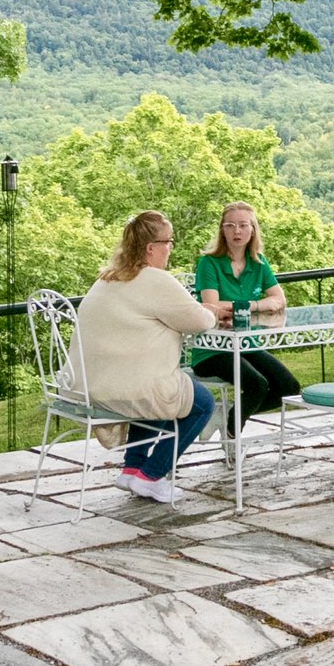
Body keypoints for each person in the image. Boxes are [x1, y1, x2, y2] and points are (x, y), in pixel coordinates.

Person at [70, 210, 218, 503]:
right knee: (201, 403)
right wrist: (211, 312)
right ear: (151, 248)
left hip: (88, 385)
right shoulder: (155, 279)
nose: (170, 248)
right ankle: (151, 475)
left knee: (158, 391)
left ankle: (132, 467)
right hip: (127, 387)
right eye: (168, 241)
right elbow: (200, 321)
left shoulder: (107, 278)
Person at [191, 202, 303, 426]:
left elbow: (279, 300)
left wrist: (249, 305)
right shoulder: (209, 263)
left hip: (246, 344)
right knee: (257, 385)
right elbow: (212, 306)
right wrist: (261, 303)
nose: (237, 231)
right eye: (230, 225)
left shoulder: (259, 263)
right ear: (222, 230)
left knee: (288, 387)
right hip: (212, 349)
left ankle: (226, 417)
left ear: (253, 229)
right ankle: (233, 435)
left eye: (243, 225)